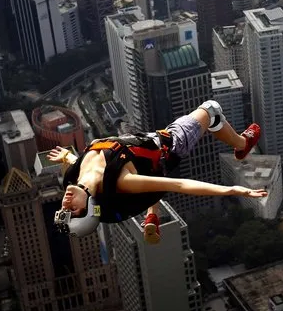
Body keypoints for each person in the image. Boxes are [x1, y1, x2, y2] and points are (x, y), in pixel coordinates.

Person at [49, 100, 265, 243]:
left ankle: (153, 215)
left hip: (141, 148)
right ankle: (241, 144)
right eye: (72, 210)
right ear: (89, 208)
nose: (66, 202)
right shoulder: (121, 180)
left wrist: (66, 157)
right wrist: (233, 190)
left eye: (62, 208)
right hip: (169, 145)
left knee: (148, 178)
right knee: (211, 109)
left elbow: (80, 162)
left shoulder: (71, 176)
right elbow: (180, 185)